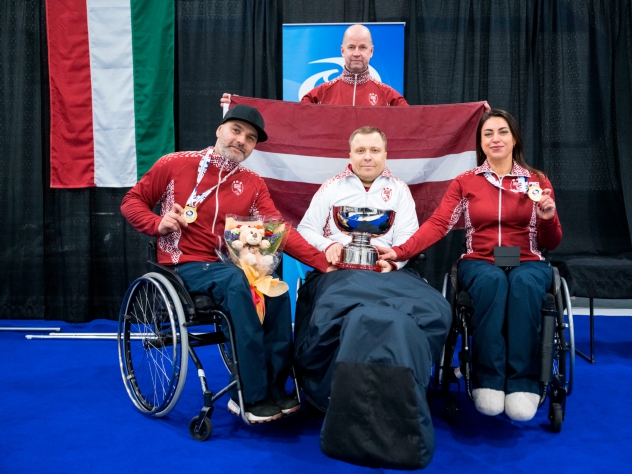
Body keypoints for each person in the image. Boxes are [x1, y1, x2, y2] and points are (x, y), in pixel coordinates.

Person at [121, 104, 332, 424]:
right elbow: (132, 202)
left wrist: (323, 263)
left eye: (250, 138)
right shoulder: (174, 163)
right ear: (220, 130)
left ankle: (276, 386)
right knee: (236, 281)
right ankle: (250, 394)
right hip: (183, 266)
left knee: (274, 286)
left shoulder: (253, 183)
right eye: (236, 130)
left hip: (231, 266)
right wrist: (156, 223)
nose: (241, 140)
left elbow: (278, 231)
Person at [378, 109, 562, 422]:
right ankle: (487, 379)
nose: (495, 139)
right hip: (479, 262)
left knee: (523, 284)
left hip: (529, 261)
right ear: (480, 142)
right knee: (492, 282)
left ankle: (523, 383)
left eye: (502, 132)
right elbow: (439, 224)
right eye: (488, 133)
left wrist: (548, 218)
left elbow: (552, 241)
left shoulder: (537, 181)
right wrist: (400, 251)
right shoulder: (466, 182)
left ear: (515, 139)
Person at [294, 126, 451, 469]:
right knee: (343, 310)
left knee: (435, 308)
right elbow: (305, 230)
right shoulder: (331, 187)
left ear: (385, 154)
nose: (368, 157)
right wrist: (329, 245)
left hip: (388, 273)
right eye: (361, 150)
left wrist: (393, 258)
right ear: (350, 155)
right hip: (339, 274)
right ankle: (336, 392)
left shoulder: (399, 190)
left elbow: (409, 236)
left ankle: (406, 389)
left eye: (375, 150)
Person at [219, 24, 408, 108]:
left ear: (371, 51)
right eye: (351, 47)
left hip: (371, 170)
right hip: (330, 167)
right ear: (342, 51)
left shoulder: (390, 97)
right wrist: (240, 104)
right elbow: (286, 117)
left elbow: (415, 123)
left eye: (362, 47)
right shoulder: (319, 94)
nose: (356, 53)